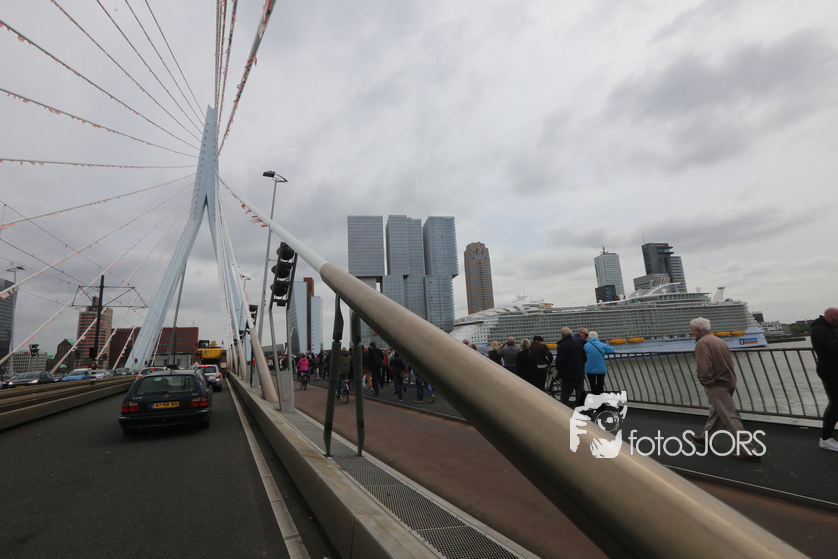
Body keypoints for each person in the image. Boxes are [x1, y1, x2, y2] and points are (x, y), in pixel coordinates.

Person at [690, 317, 761, 462]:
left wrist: (706, 381)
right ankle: (707, 438)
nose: (692, 332)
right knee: (716, 411)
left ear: (697, 330)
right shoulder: (719, 341)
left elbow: (704, 367)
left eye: (692, 330)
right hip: (729, 381)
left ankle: (750, 451)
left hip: (717, 384)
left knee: (730, 417)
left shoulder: (702, 343)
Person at [811, 307, 838, 451]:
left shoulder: (829, 328)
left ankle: (827, 438)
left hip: (832, 369)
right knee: (835, 403)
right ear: (832, 316)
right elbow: (834, 347)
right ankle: (826, 439)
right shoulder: (820, 330)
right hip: (830, 371)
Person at [554, 327, 587, 407]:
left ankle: (562, 413)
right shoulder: (578, 344)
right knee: (580, 397)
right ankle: (582, 413)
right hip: (579, 375)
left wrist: (559, 370)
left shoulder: (562, 346)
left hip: (567, 376)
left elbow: (559, 362)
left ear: (562, 335)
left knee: (564, 397)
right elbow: (585, 358)